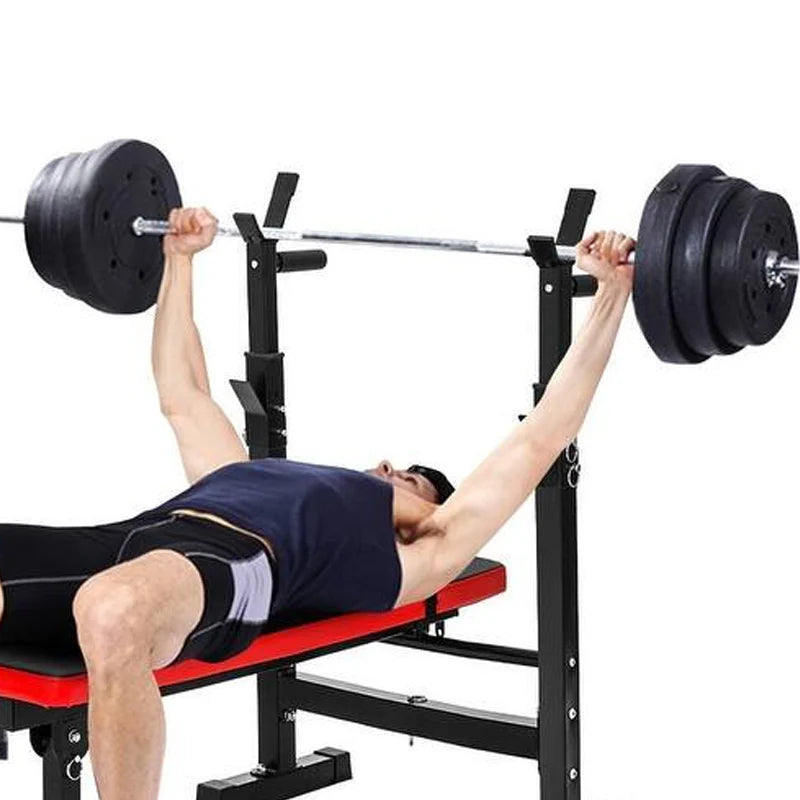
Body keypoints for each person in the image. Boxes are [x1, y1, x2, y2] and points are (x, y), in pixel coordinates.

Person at [0, 208, 634, 800]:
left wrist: (611, 294)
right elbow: (182, 393)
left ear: (420, 519)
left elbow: (542, 435)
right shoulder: (249, 474)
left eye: (411, 480)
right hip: (134, 536)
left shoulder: (419, 552)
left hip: (234, 565)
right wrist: (180, 257)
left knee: (112, 610)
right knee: (95, 592)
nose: (391, 467)